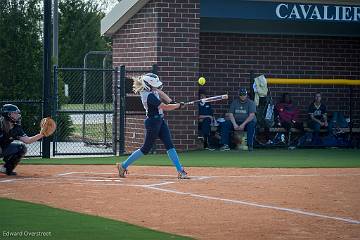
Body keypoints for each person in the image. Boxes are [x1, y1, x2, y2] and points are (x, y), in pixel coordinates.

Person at [116, 73, 189, 179]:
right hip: (152, 123)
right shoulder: (148, 96)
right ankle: (123, 165)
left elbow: (162, 93)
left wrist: (173, 102)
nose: (156, 87)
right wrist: (177, 106)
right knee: (145, 149)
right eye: (154, 85)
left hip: (160, 121)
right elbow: (164, 107)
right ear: (147, 85)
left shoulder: (152, 90)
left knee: (169, 145)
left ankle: (180, 170)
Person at [0, 104, 45, 176]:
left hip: (3, 148)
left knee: (21, 148)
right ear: (8, 114)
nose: (18, 115)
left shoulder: (16, 127)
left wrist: (42, 134)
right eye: (15, 113)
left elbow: (28, 140)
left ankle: (6, 169)